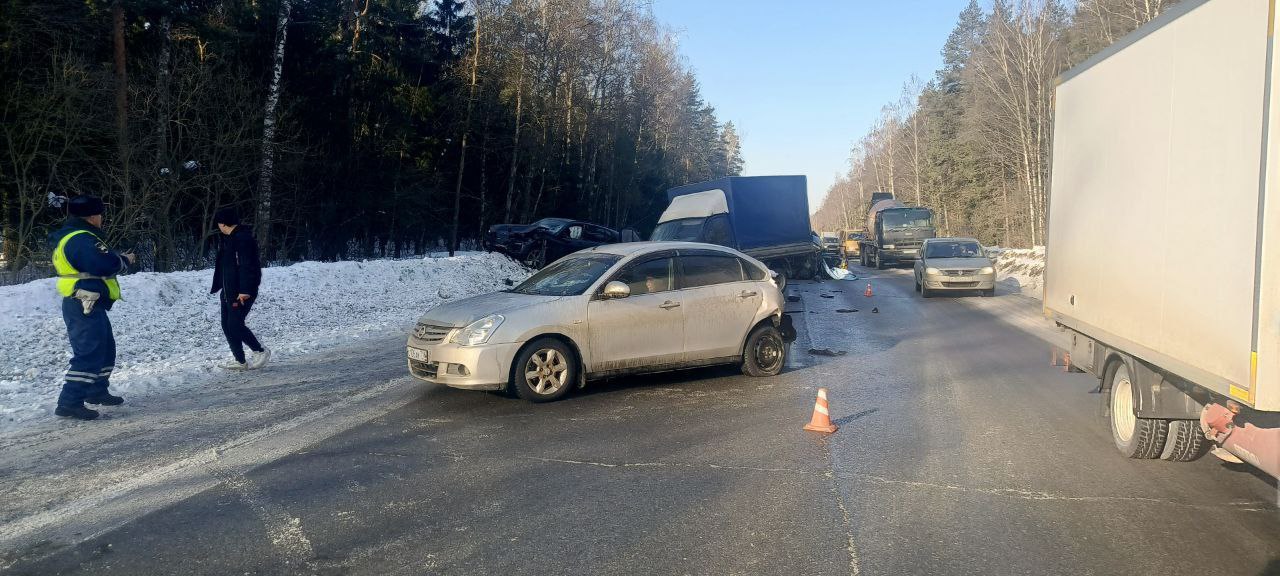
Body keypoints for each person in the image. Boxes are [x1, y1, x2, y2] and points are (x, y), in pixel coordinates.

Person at [50, 196, 135, 420]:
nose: (102, 219)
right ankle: (69, 402)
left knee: (105, 348)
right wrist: (124, 260)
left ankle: (96, 390)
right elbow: (103, 264)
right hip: (83, 302)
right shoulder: (82, 239)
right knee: (89, 352)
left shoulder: (77, 236)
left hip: (88, 301)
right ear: (93, 216)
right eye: (100, 214)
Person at [210, 207, 270, 370]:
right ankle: (240, 361)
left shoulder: (242, 239)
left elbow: (247, 266)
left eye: (219, 223)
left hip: (241, 292)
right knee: (227, 325)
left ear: (223, 224)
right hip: (228, 290)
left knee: (235, 325)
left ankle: (260, 351)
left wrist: (245, 290)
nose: (218, 226)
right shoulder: (229, 238)